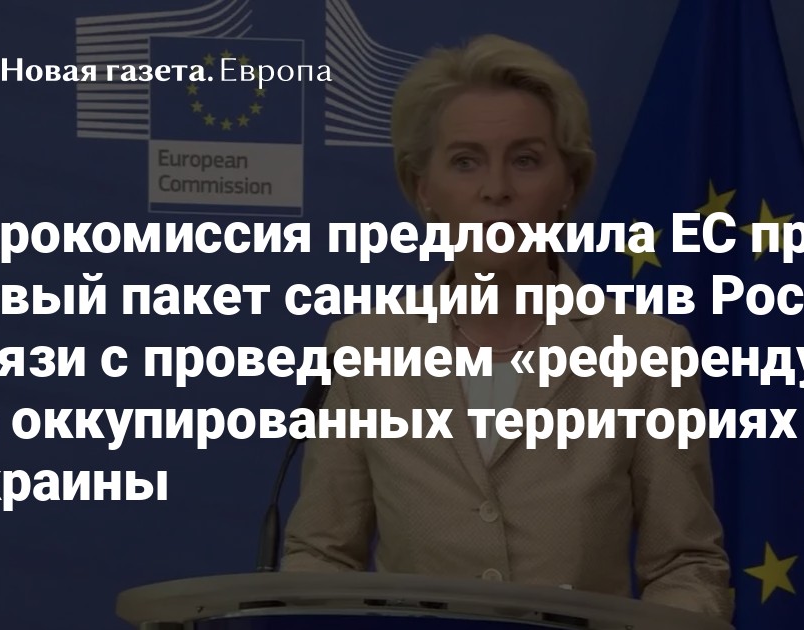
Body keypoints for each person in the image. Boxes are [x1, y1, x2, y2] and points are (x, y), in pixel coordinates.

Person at [280, 33, 732, 621]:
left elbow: (685, 566)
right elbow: (321, 554)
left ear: (569, 185)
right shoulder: (364, 346)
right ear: (423, 189)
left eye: (525, 160)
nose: (497, 190)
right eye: (465, 162)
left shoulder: (647, 349)